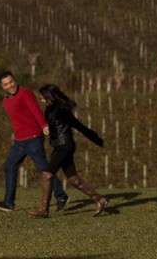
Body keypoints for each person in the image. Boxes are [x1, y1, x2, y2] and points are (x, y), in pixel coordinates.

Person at [0, 71, 68, 213]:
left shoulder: (25, 93)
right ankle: (8, 203)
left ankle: (61, 196)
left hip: (33, 138)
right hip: (19, 140)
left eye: (11, 82)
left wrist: (44, 125)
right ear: (2, 86)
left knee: (43, 168)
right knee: (9, 166)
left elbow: (35, 110)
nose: (10, 86)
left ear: (15, 80)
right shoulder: (6, 100)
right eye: (6, 84)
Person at [28, 83, 109, 218]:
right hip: (60, 146)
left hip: (64, 146)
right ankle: (99, 199)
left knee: (47, 175)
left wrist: (97, 140)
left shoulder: (62, 110)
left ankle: (43, 210)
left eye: (43, 98)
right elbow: (54, 126)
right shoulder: (51, 109)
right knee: (73, 179)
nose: (41, 100)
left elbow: (79, 126)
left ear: (49, 97)